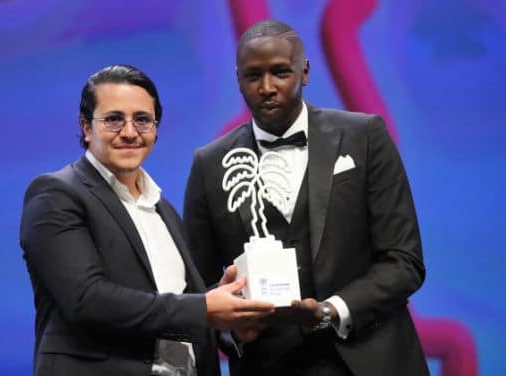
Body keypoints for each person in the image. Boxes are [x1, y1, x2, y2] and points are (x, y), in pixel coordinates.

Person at [183, 20, 428, 376]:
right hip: (267, 364)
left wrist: (332, 311)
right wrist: (232, 329)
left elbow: (404, 260)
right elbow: (198, 289)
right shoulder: (209, 164)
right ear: (238, 79)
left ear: (305, 71)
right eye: (253, 76)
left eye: (280, 72)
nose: (267, 88)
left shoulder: (365, 136)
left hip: (371, 360)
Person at [19, 64, 275, 376]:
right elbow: (86, 301)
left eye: (142, 120)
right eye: (114, 120)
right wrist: (204, 308)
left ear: (155, 128)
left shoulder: (161, 207)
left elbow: (167, 315)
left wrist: (228, 320)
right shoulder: (55, 194)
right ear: (86, 127)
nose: (129, 132)